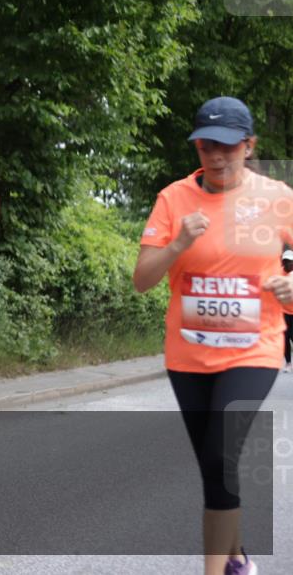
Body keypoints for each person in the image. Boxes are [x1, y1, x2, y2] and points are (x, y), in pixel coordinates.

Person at [133, 97, 289, 575]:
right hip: (188, 355)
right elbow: (142, 279)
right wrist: (179, 242)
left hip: (254, 347)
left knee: (221, 455)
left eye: (227, 147)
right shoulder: (173, 199)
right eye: (205, 146)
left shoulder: (277, 198)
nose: (216, 157)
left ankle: (216, 570)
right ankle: (236, 554)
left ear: (249, 146)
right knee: (212, 464)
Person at [283, 249, 293, 373]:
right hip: (283, 311)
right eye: (285, 261)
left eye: (290, 261)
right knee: (285, 337)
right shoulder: (279, 273)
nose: (288, 264)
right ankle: (288, 363)